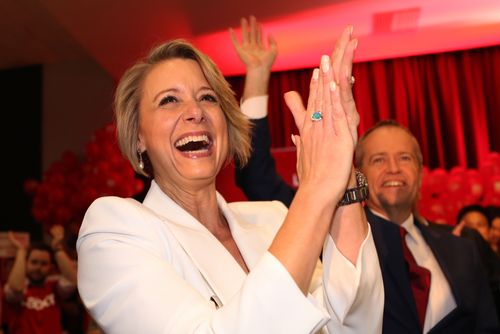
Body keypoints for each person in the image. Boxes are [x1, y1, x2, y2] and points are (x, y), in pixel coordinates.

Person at [76, 20, 384, 334]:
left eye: (208, 97)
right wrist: (316, 188)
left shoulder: (274, 219)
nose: (195, 111)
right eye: (169, 100)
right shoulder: (114, 229)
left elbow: (355, 325)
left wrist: (341, 173)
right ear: (139, 136)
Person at [232, 18, 500, 333]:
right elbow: (256, 177)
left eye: (404, 158)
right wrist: (258, 75)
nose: (394, 169)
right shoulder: (330, 231)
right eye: (378, 159)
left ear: (421, 168)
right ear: (358, 168)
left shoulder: (463, 249)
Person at [3, 226, 77, 334]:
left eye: (44, 264)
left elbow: (72, 280)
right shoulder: (17, 287)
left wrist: (57, 249)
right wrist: (21, 252)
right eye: (34, 262)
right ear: (25, 263)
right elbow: (16, 288)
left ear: (50, 267)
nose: (38, 267)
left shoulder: (54, 286)